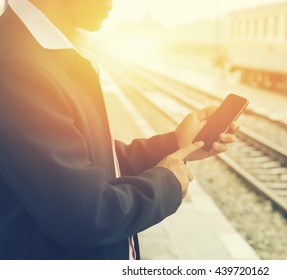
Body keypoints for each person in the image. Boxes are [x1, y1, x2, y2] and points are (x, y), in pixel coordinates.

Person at [0, 0, 239, 260]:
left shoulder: (41, 53)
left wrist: (175, 144)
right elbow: (83, 217)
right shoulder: (18, 65)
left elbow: (85, 160)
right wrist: (166, 184)